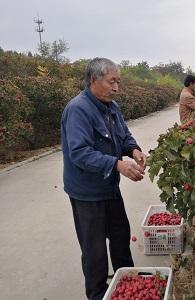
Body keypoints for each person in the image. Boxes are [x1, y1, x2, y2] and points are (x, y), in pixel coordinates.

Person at [61, 58, 147, 300]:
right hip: (86, 193)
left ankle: (128, 285)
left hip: (109, 188)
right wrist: (116, 164)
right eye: (112, 82)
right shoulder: (78, 109)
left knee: (120, 237)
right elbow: (79, 153)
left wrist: (133, 150)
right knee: (94, 250)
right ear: (93, 80)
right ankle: (98, 294)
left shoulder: (112, 107)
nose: (116, 88)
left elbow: (124, 135)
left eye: (118, 82)